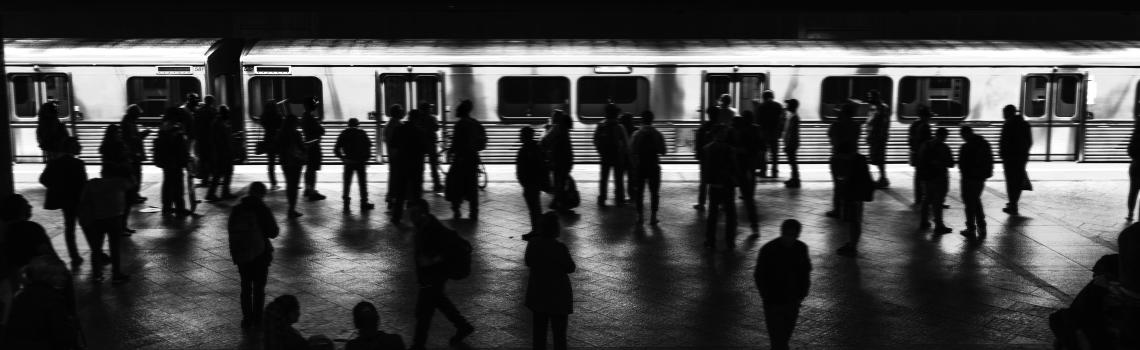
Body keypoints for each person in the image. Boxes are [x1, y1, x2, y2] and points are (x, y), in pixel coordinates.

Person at [408, 199, 474, 349]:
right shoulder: (424, 225)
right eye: (410, 213)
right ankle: (463, 326)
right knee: (440, 302)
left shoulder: (433, 229)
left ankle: (418, 346)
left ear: (424, 214)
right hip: (431, 277)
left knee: (423, 313)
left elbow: (448, 250)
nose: (411, 217)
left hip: (433, 277)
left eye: (414, 213)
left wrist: (432, 261)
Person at [754, 219, 811, 350]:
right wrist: (766, 295)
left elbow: (805, 273)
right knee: (778, 338)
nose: (789, 239)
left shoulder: (800, 249)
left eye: (792, 235)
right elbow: (760, 275)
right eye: (787, 234)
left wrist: (801, 294)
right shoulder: (770, 250)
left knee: (783, 336)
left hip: (790, 300)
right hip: (774, 300)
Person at [228, 182, 279, 330]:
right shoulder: (262, 209)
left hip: (242, 253)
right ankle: (257, 319)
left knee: (245, 287)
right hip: (260, 253)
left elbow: (231, 230)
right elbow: (273, 232)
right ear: (262, 194)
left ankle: (246, 319)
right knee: (258, 288)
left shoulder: (237, 209)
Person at [1, 256, 81, 349]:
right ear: (46, 276)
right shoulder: (52, 299)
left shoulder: (23, 294)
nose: (64, 278)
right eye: (59, 275)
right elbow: (61, 335)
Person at [525, 212, 576, 350]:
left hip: (538, 294)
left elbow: (528, 262)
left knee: (539, 334)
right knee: (559, 336)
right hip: (558, 296)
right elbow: (570, 267)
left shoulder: (533, 243)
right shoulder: (559, 248)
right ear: (555, 228)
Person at [39, 137, 88, 264]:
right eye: (77, 145)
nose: (80, 147)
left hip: (65, 200)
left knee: (69, 228)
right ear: (71, 148)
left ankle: (74, 256)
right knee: (88, 226)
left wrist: (58, 187)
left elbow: (44, 179)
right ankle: (96, 252)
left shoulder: (54, 162)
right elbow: (84, 185)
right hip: (78, 199)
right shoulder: (78, 164)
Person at [79, 176, 132, 284]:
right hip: (114, 218)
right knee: (115, 247)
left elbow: (83, 200)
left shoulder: (92, 183)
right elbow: (131, 186)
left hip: (96, 218)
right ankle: (116, 275)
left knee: (96, 248)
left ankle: (97, 275)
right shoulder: (119, 182)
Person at [445, 100, 487, 220]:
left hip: (460, 159)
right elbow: (481, 140)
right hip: (473, 158)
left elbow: (456, 143)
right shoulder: (475, 123)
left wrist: (451, 151)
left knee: (455, 183)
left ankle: (456, 208)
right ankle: (474, 211)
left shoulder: (460, 124)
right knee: (472, 185)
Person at [832, 139, 874, 256]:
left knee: (853, 221)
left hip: (852, 195)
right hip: (858, 195)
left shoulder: (851, 163)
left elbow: (845, 179)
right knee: (855, 221)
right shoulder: (861, 159)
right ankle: (852, 243)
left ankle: (852, 246)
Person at [702, 130, 738, 250]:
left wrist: (706, 182)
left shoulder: (708, 148)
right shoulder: (731, 149)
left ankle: (710, 240)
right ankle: (730, 241)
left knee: (712, 214)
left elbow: (705, 168)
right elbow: (734, 168)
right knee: (730, 215)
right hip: (727, 186)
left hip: (714, 186)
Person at [957, 126, 995, 240]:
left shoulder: (966, 146)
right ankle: (982, 226)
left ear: (965, 134)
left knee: (969, 204)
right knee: (976, 201)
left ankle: (971, 228)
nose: (962, 138)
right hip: (980, 178)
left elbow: (962, 164)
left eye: (962, 135)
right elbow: (990, 160)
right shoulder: (984, 144)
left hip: (969, 179)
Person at [630, 110, 666, 225]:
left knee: (639, 192)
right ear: (652, 120)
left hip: (640, 166)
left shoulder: (637, 134)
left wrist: (634, 164)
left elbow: (632, 151)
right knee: (654, 192)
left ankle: (640, 217)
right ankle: (653, 217)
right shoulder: (657, 134)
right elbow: (663, 151)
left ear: (642, 120)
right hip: (653, 166)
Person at [826, 102, 862, 218]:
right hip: (852, 159)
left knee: (838, 185)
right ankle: (848, 209)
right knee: (849, 184)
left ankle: (837, 210)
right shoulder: (856, 126)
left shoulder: (836, 125)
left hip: (838, 159)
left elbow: (831, 138)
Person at [392, 109, 428, 224]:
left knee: (400, 192)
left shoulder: (399, 129)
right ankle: (417, 218)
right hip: (416, 165)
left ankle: (396, 217)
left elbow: (393, 144)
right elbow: (425, 149)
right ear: (417, 119)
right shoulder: (421, 131)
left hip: (402, 164)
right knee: (416, 193)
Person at [100, 124, 138, 234]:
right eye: (117, 132)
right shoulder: (113, 145)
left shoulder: (110, 145)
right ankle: (120, 227)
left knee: (124, 202)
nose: (119, 134)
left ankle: (122, 226)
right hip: (118, 177)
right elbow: (118, 160)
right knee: (122, 203)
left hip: (119, 175)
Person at [917, 128, 955, 235]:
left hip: (926, 178)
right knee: (937, 202)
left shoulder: (925, 145)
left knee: (927, 199)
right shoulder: (944, 147)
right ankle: (939, 225)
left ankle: (923, 221)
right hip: (939, 178)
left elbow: (919, 161)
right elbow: (951, 163)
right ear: (943, 136)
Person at [153, 109, 190, 217]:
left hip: (169, 161)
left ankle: (168, 207)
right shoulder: (172, 127)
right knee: (176, 185)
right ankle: (178, 208)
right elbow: (175, 146)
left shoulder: (165, 126)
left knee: (169, 184)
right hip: (173, 161)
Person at [592, 103, 630, 207]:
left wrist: (600, 151)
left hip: (605, 156)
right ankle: (620, 199)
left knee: (604, 178)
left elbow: (595, 140)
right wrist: (624, 154)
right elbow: (626, 144)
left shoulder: (601, 125)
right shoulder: (620, 127)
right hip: (617, 156)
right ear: (616, 114)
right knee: (618, 178)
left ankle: (602, 198)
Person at [334, 118, 375, 211]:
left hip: (348, 161)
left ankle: (346, 203)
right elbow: (368, 147)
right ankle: (364, 202)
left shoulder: (344, 133)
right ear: (358, 124)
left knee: (347, 183)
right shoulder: (362, 133)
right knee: (362, 183)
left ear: (348, 124)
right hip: (360, 161)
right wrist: (366, 159)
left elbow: (336, 149)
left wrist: (343, 158)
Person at [731, 111, 761, 235]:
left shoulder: (740, 131)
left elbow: (737, 148)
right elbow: (759, 147)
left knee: (730, 199)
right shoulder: (756, 130)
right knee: (749, 200)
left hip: (738, 168)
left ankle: (734, 223)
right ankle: (754, 226)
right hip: (748, 169)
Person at [263, 295, 331, 350]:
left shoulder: (272, 327)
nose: (299, 313)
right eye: (297, 309)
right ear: (289, 313)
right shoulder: (291, 338)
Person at [999, 104, 1032, 216]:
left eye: (1004, 112)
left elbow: (1004, 142)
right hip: (1021, 157)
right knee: (1017, 181)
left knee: (1011, 182)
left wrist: (1003, 155)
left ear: (1008, 112)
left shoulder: (1008, 124)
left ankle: (1013, 204)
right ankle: (1014, 203)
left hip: (1010, 158)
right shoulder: (1024, 124)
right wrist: (1024, 153)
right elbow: (1029, 141)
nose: (1003, 114)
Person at [542, 110, 575, 213]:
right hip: (563, 162)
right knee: (561, 182)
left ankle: (558, 203)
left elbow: (545, 141)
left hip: (558, 161)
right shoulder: (563, 130)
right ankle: (559, 203)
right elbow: (568, 149)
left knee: (559, 183)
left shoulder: (556, 129)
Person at [516, 127, 548, 232]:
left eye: (521, 135)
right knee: (535, 208)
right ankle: (537, 229)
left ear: (525, 136)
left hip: (530, 183)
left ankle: (537, 230)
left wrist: (524, 181)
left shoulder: (527, 150)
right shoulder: (535, 148)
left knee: (534, 208)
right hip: (532, 183)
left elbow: (526, 167)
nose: (519, 137)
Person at [277, 114, 307, 218]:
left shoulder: (281, 133)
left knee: (289, 185)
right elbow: (302, 147)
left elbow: (278, 148)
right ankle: (292, 209)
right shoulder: (296, 133)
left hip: (285, 162)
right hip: (295, 162)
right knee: (294, 186)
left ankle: (291, 208)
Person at [410, 101, 444, 193]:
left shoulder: (419, 118)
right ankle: (436, 184)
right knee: (433, 165)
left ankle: (419, 185)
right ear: (428, 109)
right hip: (431, 143)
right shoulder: (432, 118)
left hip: (420, 144)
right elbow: (437, 128)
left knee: (420, 165)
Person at [251, 100, 285, 190]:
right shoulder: (278, 116)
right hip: (278, 140)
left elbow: (262, 123)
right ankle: (289, 180)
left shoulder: (264, 116)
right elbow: (281, 125)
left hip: (268, 140)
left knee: (271, 163)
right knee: (284, 161)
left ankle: (273, 184)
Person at [121, 104, 151, 203]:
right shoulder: (128, 123)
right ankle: (133, 195)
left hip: (133, 153)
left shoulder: (129, 122)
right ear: (133, 114)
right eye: (138, 114)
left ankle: (135, 194)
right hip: (133, 153)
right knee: (135, 174)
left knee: (136, 174)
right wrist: (143, 134)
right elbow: (132, 139)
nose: (139, 117)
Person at [206, 105, 237, 201]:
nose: (228, 114)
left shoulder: (222, 122)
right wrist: (228, 151)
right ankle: (213, 194)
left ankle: (224, 192)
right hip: (222, 154)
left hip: (224, 153)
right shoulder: (218, 123)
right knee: (220, 174)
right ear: (223, 113)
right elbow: (220, 140)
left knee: (224, 173)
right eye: (227, 112)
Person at [693, 106, 721, 210]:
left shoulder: (703, 128)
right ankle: (719, 203)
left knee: (704, 181)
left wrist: (698, 155)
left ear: (708, 115)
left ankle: (701, 203)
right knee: (718, 181)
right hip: (719, 159)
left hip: (706, 158)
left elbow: (699, 144)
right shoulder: (722, 128)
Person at [300, 97, 327, 202]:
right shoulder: (310, 118)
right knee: (313, 169)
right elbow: (321, 130)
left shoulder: (304, 117)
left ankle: (307, 189)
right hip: (313, 146)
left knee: (308, 169)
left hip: (307, 145)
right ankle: (312, 192)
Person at [864, 90, 891, 188]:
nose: (869, 99)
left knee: (878, 159)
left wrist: (879, 138)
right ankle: (882, 178)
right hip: (874, 138)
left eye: (871, 97)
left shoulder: (882, 107)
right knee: (875, 159)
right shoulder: (873, 107)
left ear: (876, 97)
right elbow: (870, 122)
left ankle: (882, 179)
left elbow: (883, 124)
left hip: (878, 138)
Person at [908, 106, 934, 205]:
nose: (929, 118)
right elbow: (928, 142)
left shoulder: (914, 124)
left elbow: (910, 141)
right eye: (928, 116)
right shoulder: (924, 126)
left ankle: (918, 199)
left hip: (916, 154)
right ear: (924, 116)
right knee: (925, 178)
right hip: (924, 156)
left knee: (918, 177)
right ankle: (926, 198)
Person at [755, 91, 784, 178]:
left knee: (763, 153)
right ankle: (774, 170)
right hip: (774, 133)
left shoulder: (761, 107)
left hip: (764, 133)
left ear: (764, 97)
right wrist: (780, 132)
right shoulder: (778, 106)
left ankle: (763, 170)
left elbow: (758, 121)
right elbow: (782, 120)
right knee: (774, 153)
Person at [384, 105, 407, 213]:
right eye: (401, 111)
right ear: (397, 113)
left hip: (392, 154)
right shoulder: (398, 125)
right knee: (398, 177)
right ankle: (395, 197)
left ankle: (391, 197)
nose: (403, 113)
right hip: (398, 155)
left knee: (393, 176)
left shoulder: (387, 125)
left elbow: (386, 140)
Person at [193, 95, 219, 187]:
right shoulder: (213, 111)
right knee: (211, 160)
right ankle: (211, 178)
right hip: (210, 140)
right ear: (211, 102)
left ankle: (205, 179)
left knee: (203, 160)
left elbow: (195, 125)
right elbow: (216, 126)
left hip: (201, 140)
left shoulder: (198, 111)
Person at [783, 99, 802, 188]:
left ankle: (796, 180)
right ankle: (794, 178)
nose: (786, 107)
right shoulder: (792, 116)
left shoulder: (794, 117)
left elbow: (791, 133)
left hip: (792, 143)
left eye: (788, 105)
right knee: (792, 161)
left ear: (792, 106)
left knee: (792, 162)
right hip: (791, 143)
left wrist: (788, 144)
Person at [1128, 117, 1140, 221]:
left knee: (1133, 191)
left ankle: (1130, 213)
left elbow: (1130, 151)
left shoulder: (1136, 135)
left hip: (1136, 165)